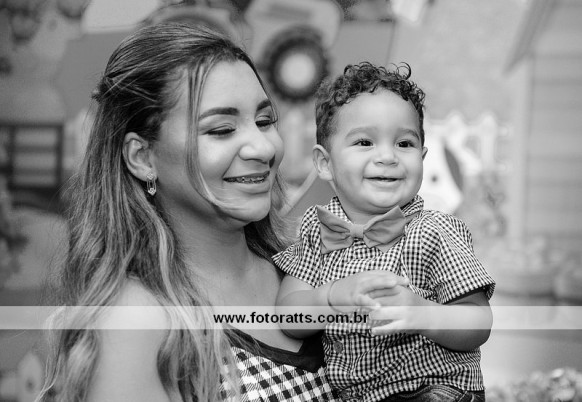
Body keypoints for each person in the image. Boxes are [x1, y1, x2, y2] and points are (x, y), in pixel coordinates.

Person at [35, 23, 405, 402]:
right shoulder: (136, 321)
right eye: (222, 129)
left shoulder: (311, 269)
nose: (263, 147)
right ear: (142, 157)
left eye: (264, 121)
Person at [274, 62, 496, 402]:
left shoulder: (434, 231)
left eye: (404, 144)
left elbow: (478, 321)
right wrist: (329, 297)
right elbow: (290, 316)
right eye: (365, 142)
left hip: (434, 389)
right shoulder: (318, 232)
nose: (387, 157)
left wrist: (425, 314)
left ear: (422, 157)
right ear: (325, 163)